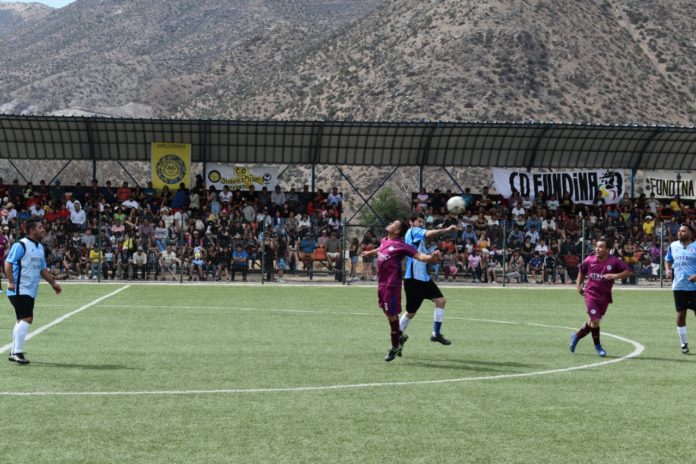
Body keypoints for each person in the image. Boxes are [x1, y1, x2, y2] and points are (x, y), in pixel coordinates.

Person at [360, 219, 440, 362]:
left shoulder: (402, 246)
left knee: (392, 315)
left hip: (392, 285)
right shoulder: (385, 240)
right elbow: (382, 248)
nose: (390, 224)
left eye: (393, 224)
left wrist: (431, 258)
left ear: (397, 231)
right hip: (382, 285)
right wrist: (370, 252)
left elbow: (419, 256)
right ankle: (399, 336)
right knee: (387, 313)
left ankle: (395, 345)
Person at [5, 219, 62, 364]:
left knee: (21, 319)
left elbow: (42, 269)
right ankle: (17, 352)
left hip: (29, 290)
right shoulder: (21, 245)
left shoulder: (40, 248)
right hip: (19, 288)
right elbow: (8, 263)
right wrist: (11, 282)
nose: (43, 230)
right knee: (27, 318)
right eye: (40, 227)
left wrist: (53, 283)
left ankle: (13, 352)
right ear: (31, 231)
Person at [401, 215, 459, 349]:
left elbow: (430, 260)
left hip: (424, 278)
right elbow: (428, 233)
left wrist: (435, 257)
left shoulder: (421, 243)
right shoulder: (413, 231)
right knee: (411, 312)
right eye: (418, 221)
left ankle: (436, 333)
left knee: (441, 301)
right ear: (411, 222)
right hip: (414, 279)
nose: (421, 223)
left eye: (422, 221)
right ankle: (397, 335)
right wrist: (446, 229)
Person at [570, 236, 632, 357]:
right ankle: (598, 346)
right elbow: (581, 271)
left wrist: (614, 276)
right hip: (590, 294)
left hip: (604, 297)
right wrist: (578, 286)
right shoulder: (589, 259)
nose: (597, 249)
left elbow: (628, 272)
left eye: (600, 247)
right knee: (595, 320)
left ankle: (576, 336)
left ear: (608, 249)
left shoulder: (614, 261)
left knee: (593, 322)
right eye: (596, 246)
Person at [664, 223, 696, 354]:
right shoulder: (673, 246)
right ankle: (683, 343)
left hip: (695, 288)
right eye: (679, 231)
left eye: (683, 231)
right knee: (681, 314)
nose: (679, 233)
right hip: (679, 286)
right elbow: (667, 260)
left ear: (690, 233)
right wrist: (667, 270)